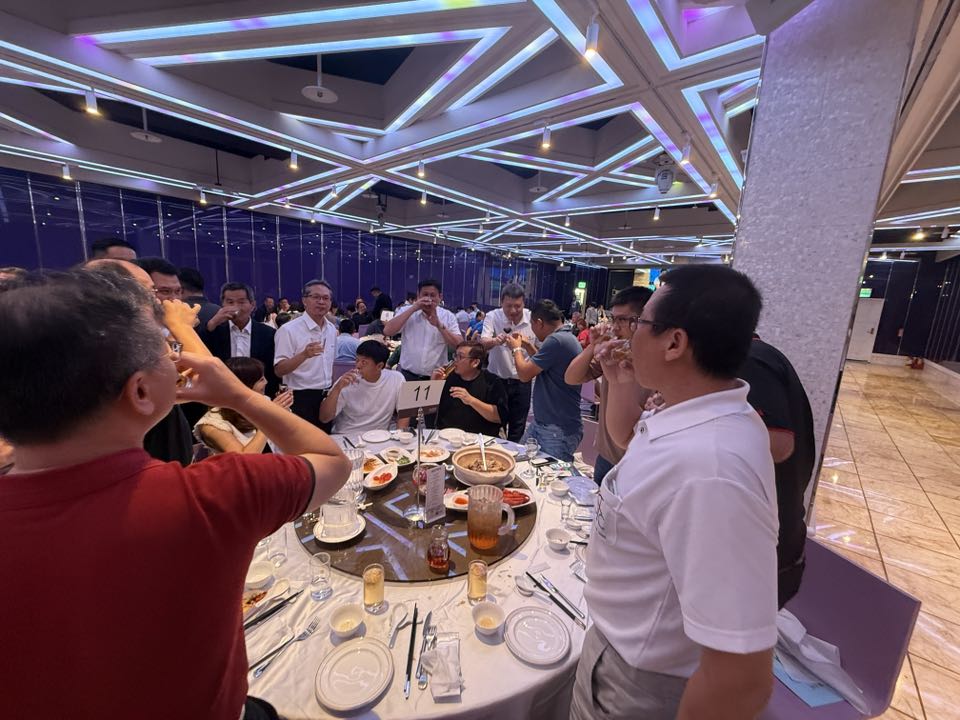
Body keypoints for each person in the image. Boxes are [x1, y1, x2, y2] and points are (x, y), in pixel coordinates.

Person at [0, 268, 352, 720]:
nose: (177, 356)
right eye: (167, 351)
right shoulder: (211, 493)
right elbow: (331, 462)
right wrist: (240, 397)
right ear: (141, 390)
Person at [573, 265, 776, 720]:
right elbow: (631, 444)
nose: (628, 334)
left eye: (640, 322)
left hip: (640, 683)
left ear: (674, 343)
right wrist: (620, 381)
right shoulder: (693, 411)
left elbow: (740, 679)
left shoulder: (713, 470)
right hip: (618, 645)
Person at [86, 259, 197, 465]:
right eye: (158, 291)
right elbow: (192, 382)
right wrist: (182, 328)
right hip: (140, 452)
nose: (171, 300)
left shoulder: (151, 333)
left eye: (177, 292)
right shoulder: (118, 340)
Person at [740, 335, 816, 609]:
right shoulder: (755, 357)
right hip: (769, 549)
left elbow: (778, 444)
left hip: (764, 555)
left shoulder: (749, 360)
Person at [565, 286, 654, 485]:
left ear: (641, 321)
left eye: (621, 320)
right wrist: (592, 346)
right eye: (613, 319)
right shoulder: (613, 354)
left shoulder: (657, 363)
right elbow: (571, 377)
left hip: (640, 461)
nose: (614, 327)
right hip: (607, 456)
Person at [504, 300, 582, 461]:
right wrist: (527, 346)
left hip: (556, 429)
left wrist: (516, 348)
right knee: (519, 462)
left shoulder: (556, 340)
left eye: (532, 325)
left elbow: (524, 375)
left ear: (539, 322)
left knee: (550, 474)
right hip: (545, 424)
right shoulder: (565, 337)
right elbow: (543, 365)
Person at [194, 357, 294, 454]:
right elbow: (245, 458)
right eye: (261, 379)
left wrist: (282, 412)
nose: (266, 382)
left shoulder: (263, 401)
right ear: (244, 385)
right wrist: (268, 419)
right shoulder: (212, 424)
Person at [274, 279, 339, 429]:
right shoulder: (288, 330)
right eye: (316, 297)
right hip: (300, 398)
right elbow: (279, 370)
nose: (321, 302)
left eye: (326, 298)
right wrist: (304, 355)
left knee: (325, 439)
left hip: (326, 395)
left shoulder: (331, 329)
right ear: (304, 300)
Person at [480, 284, 538, 443]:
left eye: (517, 306)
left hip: (522, 381)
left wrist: (527, 345)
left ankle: (514, 455)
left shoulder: (532, 319)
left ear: (524, 302)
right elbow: (483, 343)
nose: (513, 310)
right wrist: (494, 341)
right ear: (501, 303)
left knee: (518, 427)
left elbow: (540, 351)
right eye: (508, 306)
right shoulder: (493, 316)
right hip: (496, 379)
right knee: (492, 424)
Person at [200, 282, 280, 397]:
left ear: (252, 305)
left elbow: (272, 371)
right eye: (230, 302)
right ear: (222, 304)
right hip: (222, 393)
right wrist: (212, 323)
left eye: (241, 302)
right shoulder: (214, 330)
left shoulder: (268, 333)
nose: (235, 307)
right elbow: (200, 353)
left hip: (258, 395)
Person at [319, 340, 408, 435]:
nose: (358, 365)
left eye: (364, 362)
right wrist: (337, 389)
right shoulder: (345, 382)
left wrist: (400, 435)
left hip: (379, 437)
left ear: (379, 366)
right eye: (357, 360)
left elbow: (405, 412)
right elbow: (324, 418)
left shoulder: (396, 379)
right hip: (346, 435)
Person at [382, 279, 462, 381]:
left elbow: (459, 345)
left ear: (440, 297)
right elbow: (388, 331)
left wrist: (439, 325)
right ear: (418, 296)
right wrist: (413, 308)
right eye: (425, 295)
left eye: (432, 295)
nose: (428, 299)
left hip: (437, 376)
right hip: (408, 375)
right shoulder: (406, 311)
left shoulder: (448, 316)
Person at [431, 343, 508, 437]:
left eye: (460, 356)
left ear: (475, 362)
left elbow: (498, 417)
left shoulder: (491, 382)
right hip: (446, 435)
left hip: (479, 438)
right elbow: (428, 409)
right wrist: (434, 384)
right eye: (455, 355)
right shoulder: (448, 376)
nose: (455, 360)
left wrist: (471, 400)